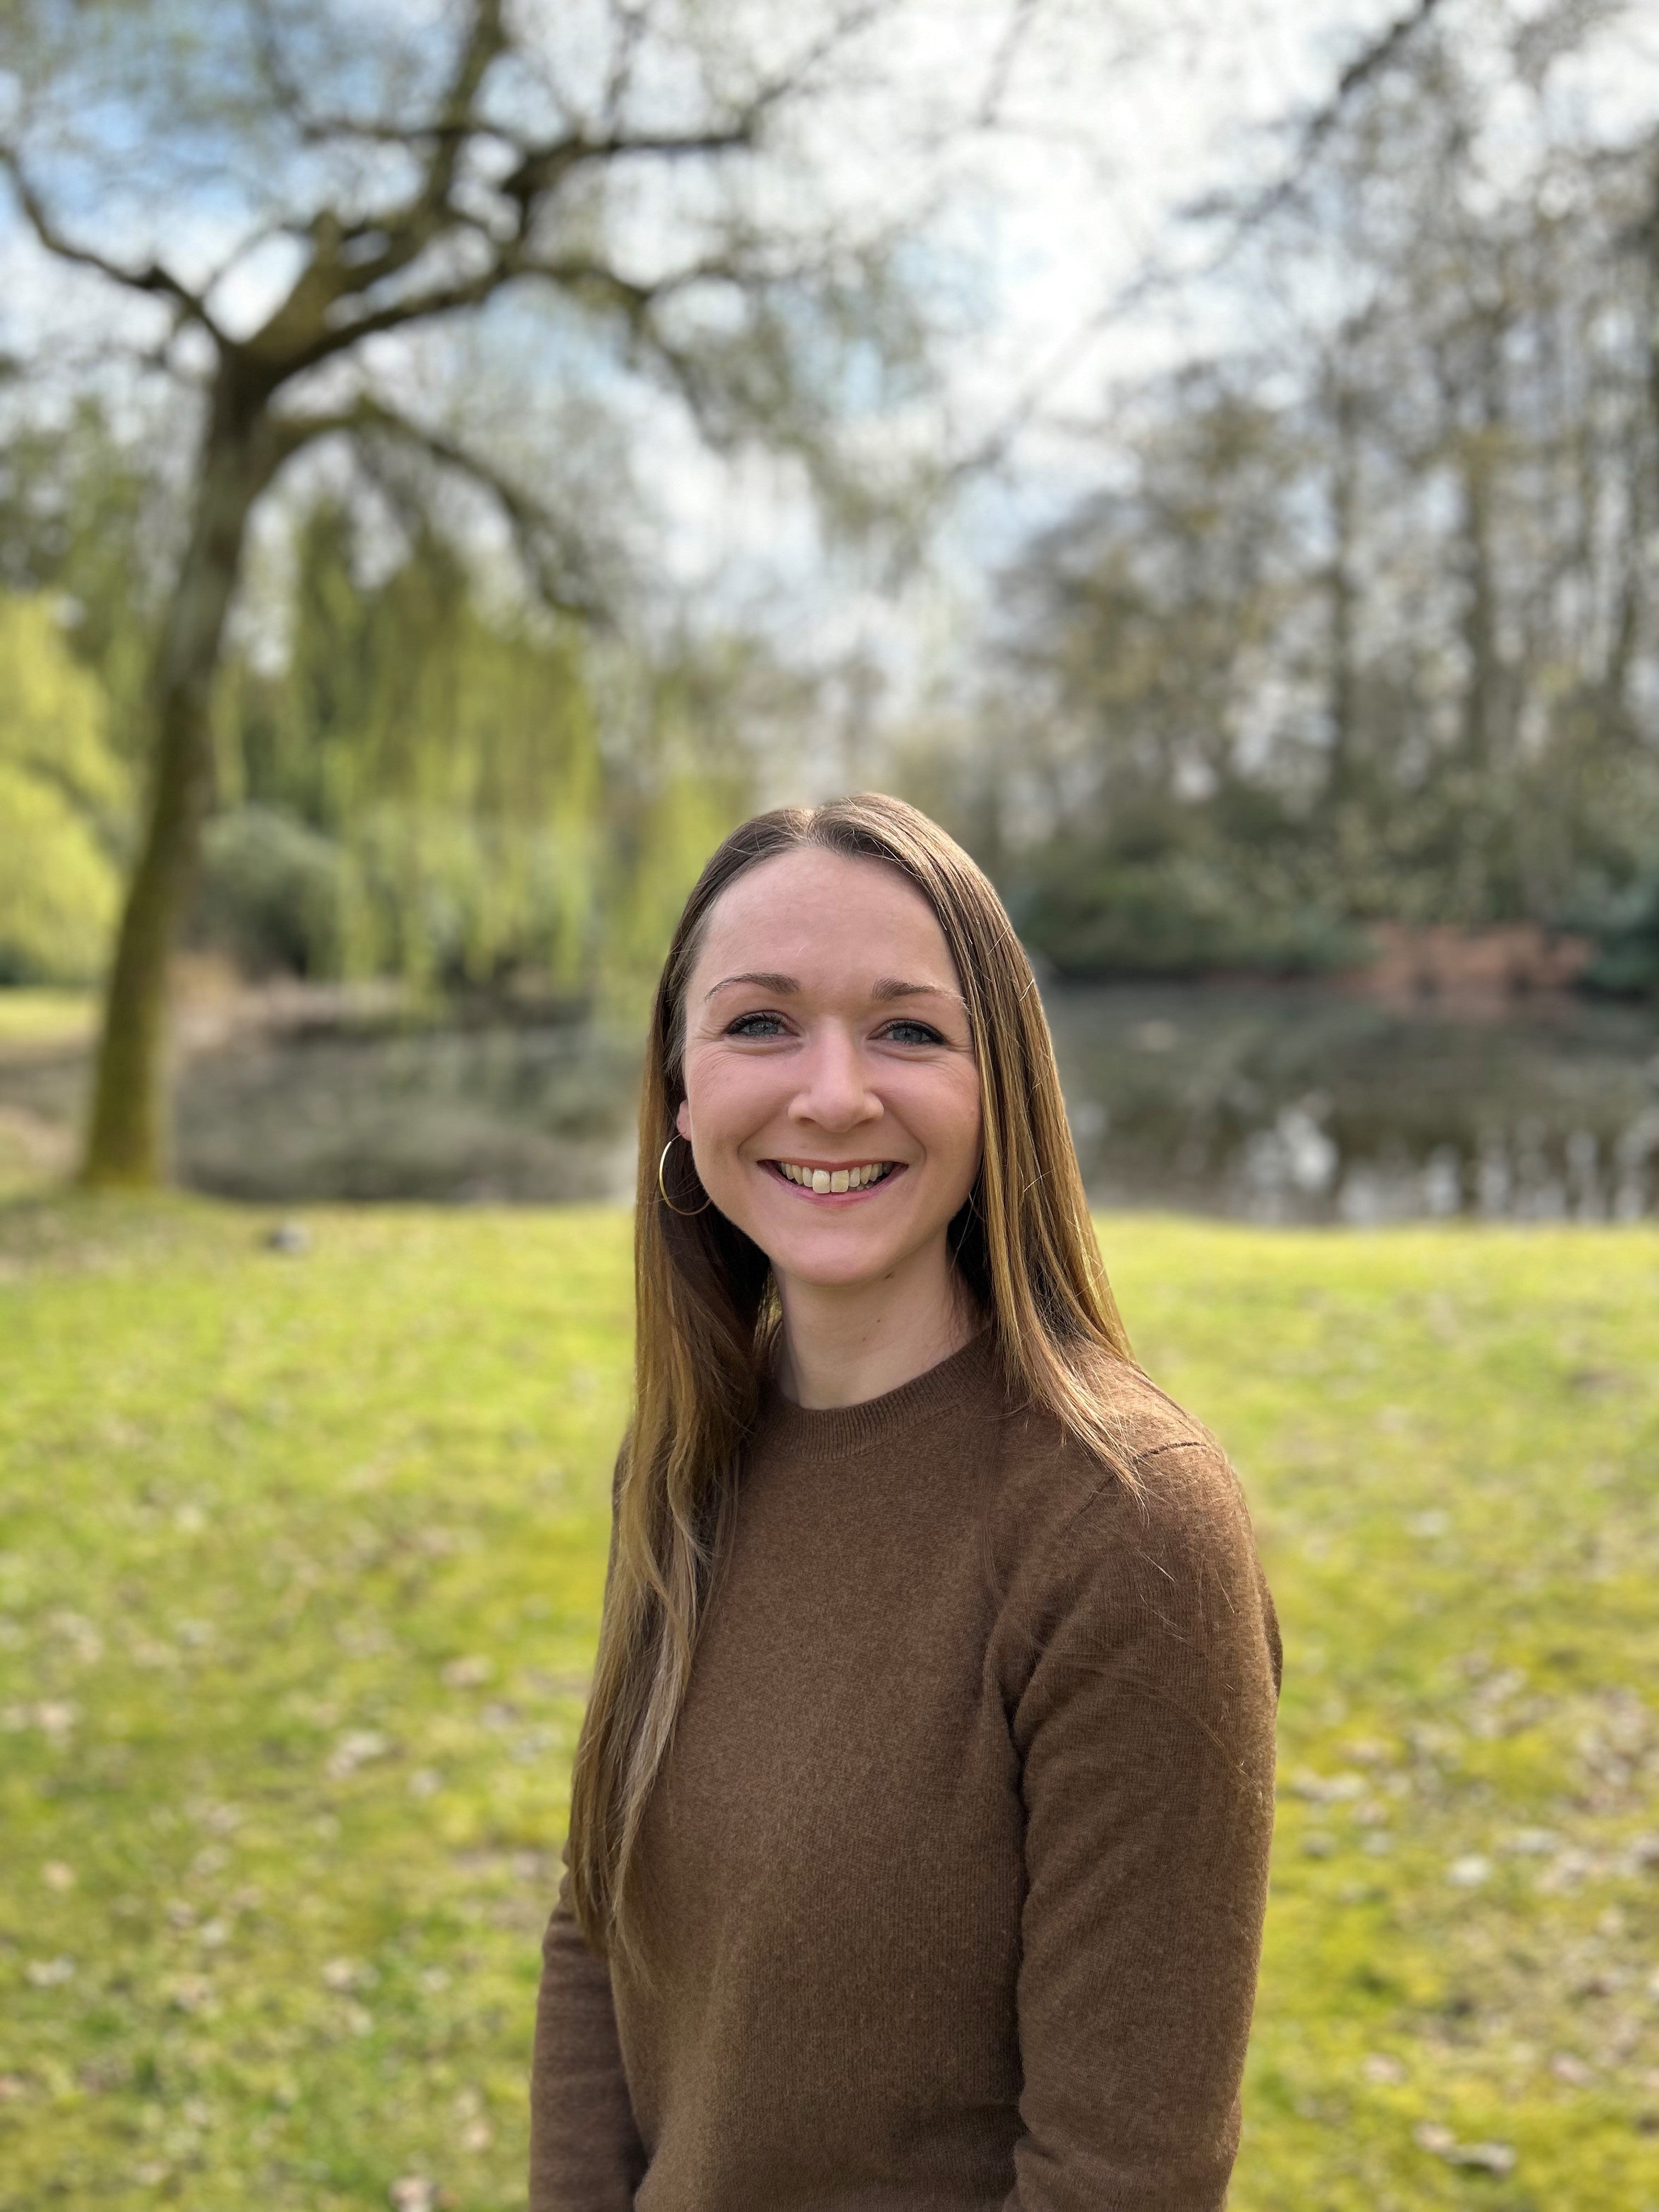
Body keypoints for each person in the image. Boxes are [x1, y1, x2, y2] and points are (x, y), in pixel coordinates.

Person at [529, 794, 1282, 2211]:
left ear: (1001, 1086)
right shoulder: (684, 1457)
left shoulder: (1126, 1531)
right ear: (680, 1089)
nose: (832, 1094)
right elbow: (598, 1915)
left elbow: (1122, 2180)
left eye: (909, 1031)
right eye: (761, 1023)